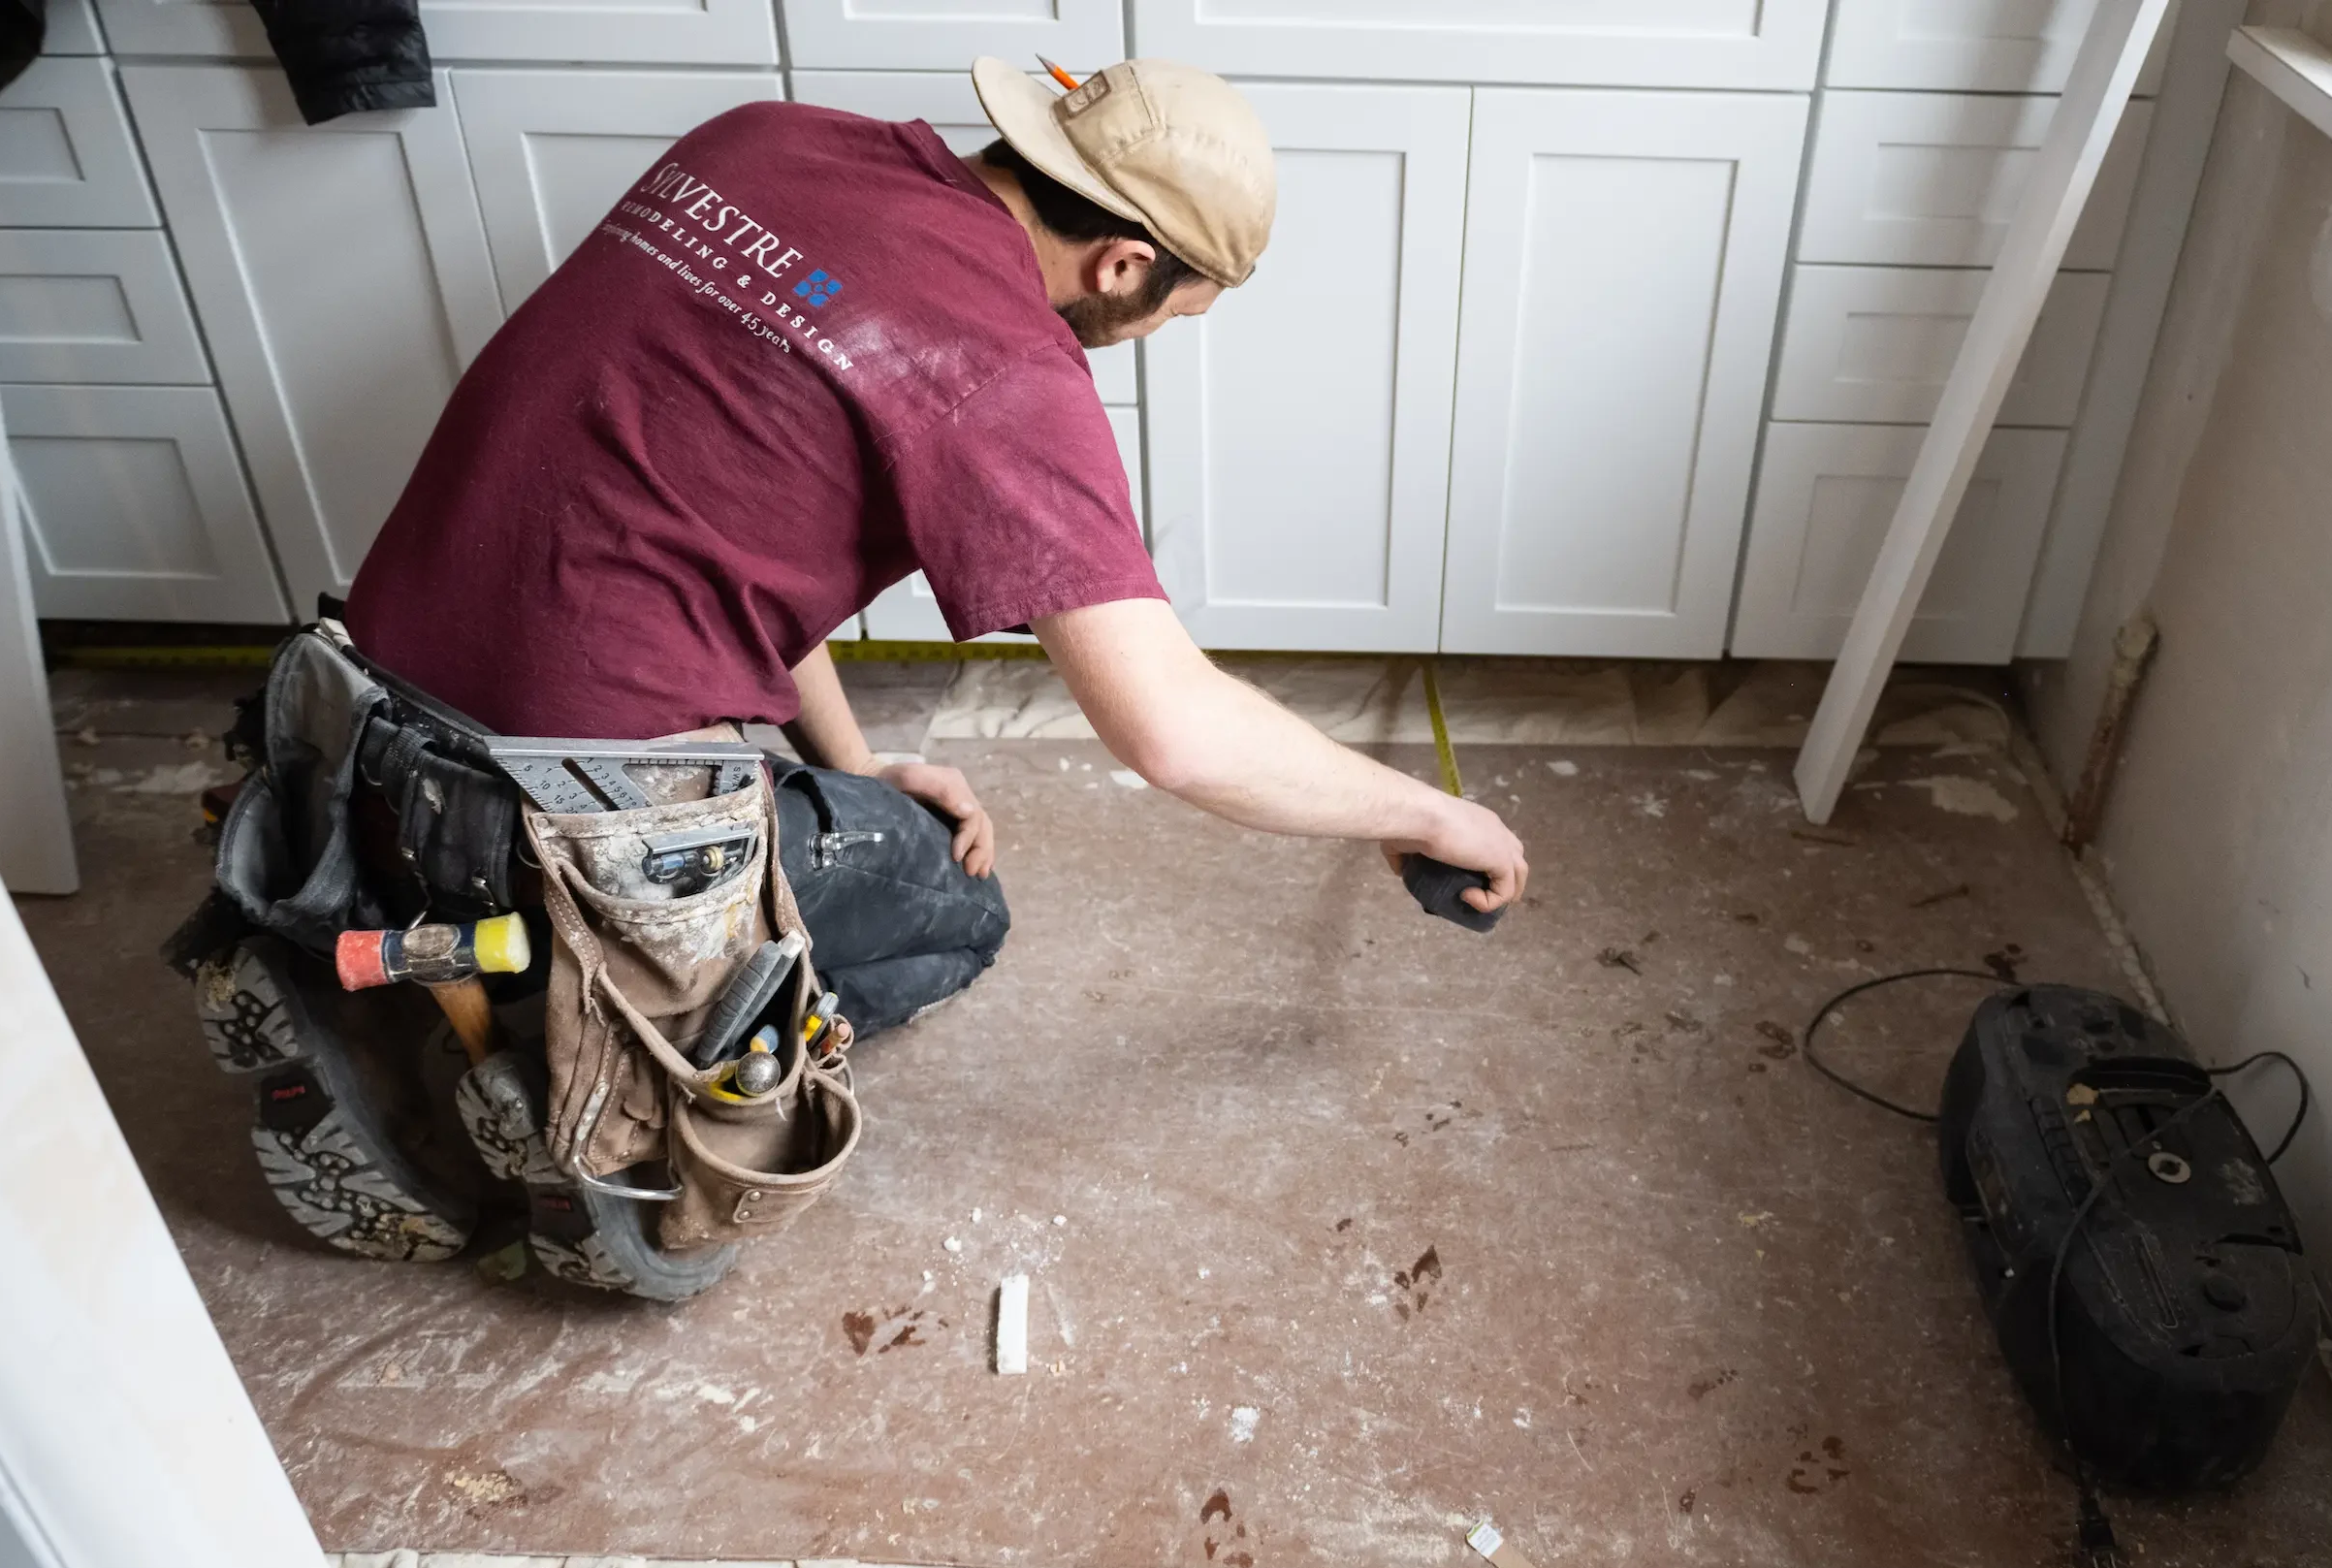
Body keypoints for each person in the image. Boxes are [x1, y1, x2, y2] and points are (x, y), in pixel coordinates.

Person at [344, 53, 1527, 1030]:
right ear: (1123, 263)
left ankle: (430, 937)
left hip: (368, 704)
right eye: (1172, 312)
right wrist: (1430, 817)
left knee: (857, 814)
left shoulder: (759, 138)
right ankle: (587, 1033)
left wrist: (852, 768)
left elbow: (721, 508)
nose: (1153, 331)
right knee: (954, 914)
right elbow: (1173, 731)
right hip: (566, 806)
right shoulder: (1000, 365)